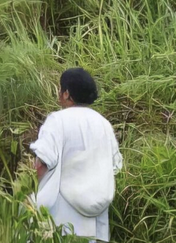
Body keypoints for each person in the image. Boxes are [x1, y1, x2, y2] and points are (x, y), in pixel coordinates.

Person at [29, 67, 122, 242]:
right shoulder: (103, 124)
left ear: (66, 94)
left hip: (61, 218)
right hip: (95, 222)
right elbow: (114, 167)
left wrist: (30, 191)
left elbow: (41, 164)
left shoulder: (57, 120)